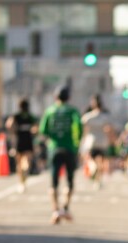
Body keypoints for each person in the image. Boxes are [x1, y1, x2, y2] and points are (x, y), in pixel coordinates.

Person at [39, 86, 82, 224]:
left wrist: (52, 140)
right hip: (69, 148)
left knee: (54, 181)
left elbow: (43, 130)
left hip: (54, 148)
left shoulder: (50, 111)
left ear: (55, 97)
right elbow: (79, 127)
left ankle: (55, 210)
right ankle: (66, 208)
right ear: (68, 98)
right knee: (69, 180)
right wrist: (76, 142)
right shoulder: (73, 111)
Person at [6, 98, 38, 192]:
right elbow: (36, 127)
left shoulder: (16, 115)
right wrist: (32, 132)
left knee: (18, 163)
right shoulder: (30, 116)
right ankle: (24, 178)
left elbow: (8, 125)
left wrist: (14, 131)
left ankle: (21, 182)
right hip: (28, 140)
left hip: (18, 140)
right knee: (27, 162)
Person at [80, 94, 111, 188]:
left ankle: (94, 173)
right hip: (102, 142)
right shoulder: (105, 117)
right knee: (100, 162)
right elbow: (109, 129)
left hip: (91, 142)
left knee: (92, 160)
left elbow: (84, 130)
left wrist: (82, 141)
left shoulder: (87, 117)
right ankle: (98, 181)